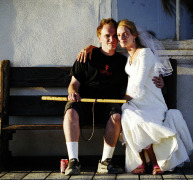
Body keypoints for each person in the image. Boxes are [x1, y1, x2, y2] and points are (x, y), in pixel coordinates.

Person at [63, 18, 164, 176]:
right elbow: (73, 83)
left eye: (114, 36)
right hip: (84, 102)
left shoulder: (122, 62)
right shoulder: (86, 56)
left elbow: (139, 77)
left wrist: (159, 79)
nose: (112, 39)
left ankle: (105, 163)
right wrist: (72, 92)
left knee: (117, 116)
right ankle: (73, 161)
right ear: (99, 38)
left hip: (109, 106)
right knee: (70, 112)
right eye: (107, 36)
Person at [116, 19, 193, 175]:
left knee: (135, 118)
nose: (122, 38)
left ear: (134, 35)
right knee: (127, 115)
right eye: (119, 35)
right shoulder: (128, 57)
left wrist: (123, 98)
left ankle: (153, 162)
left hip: (152, 104)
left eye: (125, 34)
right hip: (136, 103)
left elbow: (138, 83)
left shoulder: (145, 53)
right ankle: (143, 162)